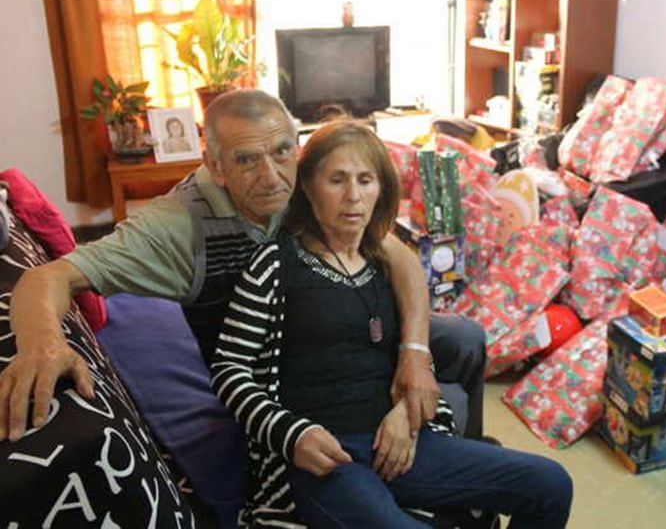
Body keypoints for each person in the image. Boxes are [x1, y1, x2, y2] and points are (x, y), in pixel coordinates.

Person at [0, 89, 486, 448]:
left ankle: (464, 468)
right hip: (271, 372)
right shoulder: (177, 226)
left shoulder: (307, 181)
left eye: (281, 153)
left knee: (464, 339)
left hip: (340, 326)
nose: (272, 177)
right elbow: (49, 276)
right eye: (247, 161)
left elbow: (394, 251)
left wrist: (416, 351)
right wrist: (43, 342)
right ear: (214, 164)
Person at [211, 119, 572, 527]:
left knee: (550, 483)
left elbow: (414, 359)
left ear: (381, 189)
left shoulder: (385, 264)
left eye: (366, 180)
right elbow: (228, 370)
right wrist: (292, 435)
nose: (353, 197)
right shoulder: (275, 266)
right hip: (326, 462)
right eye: (336, 180)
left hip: (400, 443)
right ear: (308, 187)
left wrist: (408, 415)